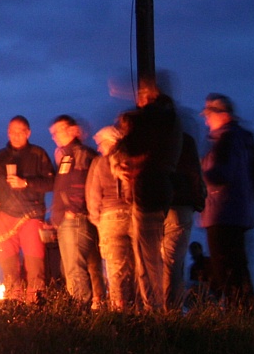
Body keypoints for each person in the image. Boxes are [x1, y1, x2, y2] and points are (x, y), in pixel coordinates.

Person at [111, 80, 183, 311]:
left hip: (148, 190)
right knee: (153, 255)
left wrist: (124, 136)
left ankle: (155, 309)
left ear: (151, 95)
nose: (137, 99)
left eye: (142, 94)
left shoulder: (152, 119)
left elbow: (132, 147)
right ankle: (159, 307)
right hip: (161, 189)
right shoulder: (172, 120)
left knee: (147, 255)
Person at [199, 93, 254, 315]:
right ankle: (247, 315)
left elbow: (220, 174)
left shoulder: (226, 140)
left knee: (225, 268)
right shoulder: (247, 141)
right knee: (239, 267)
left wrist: (201, 172)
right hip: (240, 213)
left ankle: (239, 316)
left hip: (222, 212)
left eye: (209, 115)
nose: (206, 120)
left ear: (222, 115)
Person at [0, 115, 54, 303]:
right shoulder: (1, 157)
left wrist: (26, 183)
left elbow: (51, 182)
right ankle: (13, 303)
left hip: (31, 216)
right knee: (8, 265)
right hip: (5, 217)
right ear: (7, 133)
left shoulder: (38, 154)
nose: (15, 136)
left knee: (34, 265)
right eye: (12, 132)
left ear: (28, 133)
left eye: (20, 132)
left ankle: (35, 304)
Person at [49, 115, 105, 309]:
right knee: (74, 268)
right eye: (52, 134)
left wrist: (71, 211)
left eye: (58, 131)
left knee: (75, 270)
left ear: (72, 130)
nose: (54, 136)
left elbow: (81, 183)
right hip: (70, 221)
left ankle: (81, 314)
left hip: (75, 222)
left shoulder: (79, 153)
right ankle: (86, 309)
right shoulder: (67, 155)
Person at [87, 123, 136, 311]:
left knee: (115, 268)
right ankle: (137, 309)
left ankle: (118, 308)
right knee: (135, 266)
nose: (98, 148)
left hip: (110, 219)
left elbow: (93, 195)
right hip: (134, 217)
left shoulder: (99, 163)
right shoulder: (132, 159)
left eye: (101, 143)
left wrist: (96, 220)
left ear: (111, 141)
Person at [162, 131, 206, 311]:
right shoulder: (185, 140)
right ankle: (171, 308)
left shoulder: (150, 137)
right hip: (180, 204)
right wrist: (197, 199)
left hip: (161, 204)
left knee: (165, 260)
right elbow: (194, 172)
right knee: (173, 260)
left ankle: (166, 308)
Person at [186, 240, 212, 309]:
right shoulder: (193, 267)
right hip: (199, 291)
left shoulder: (208, 262)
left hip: (209, 290)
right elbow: (193, 281)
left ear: (200, 249)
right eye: (192, 249)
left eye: (195, 248)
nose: (193, 251)